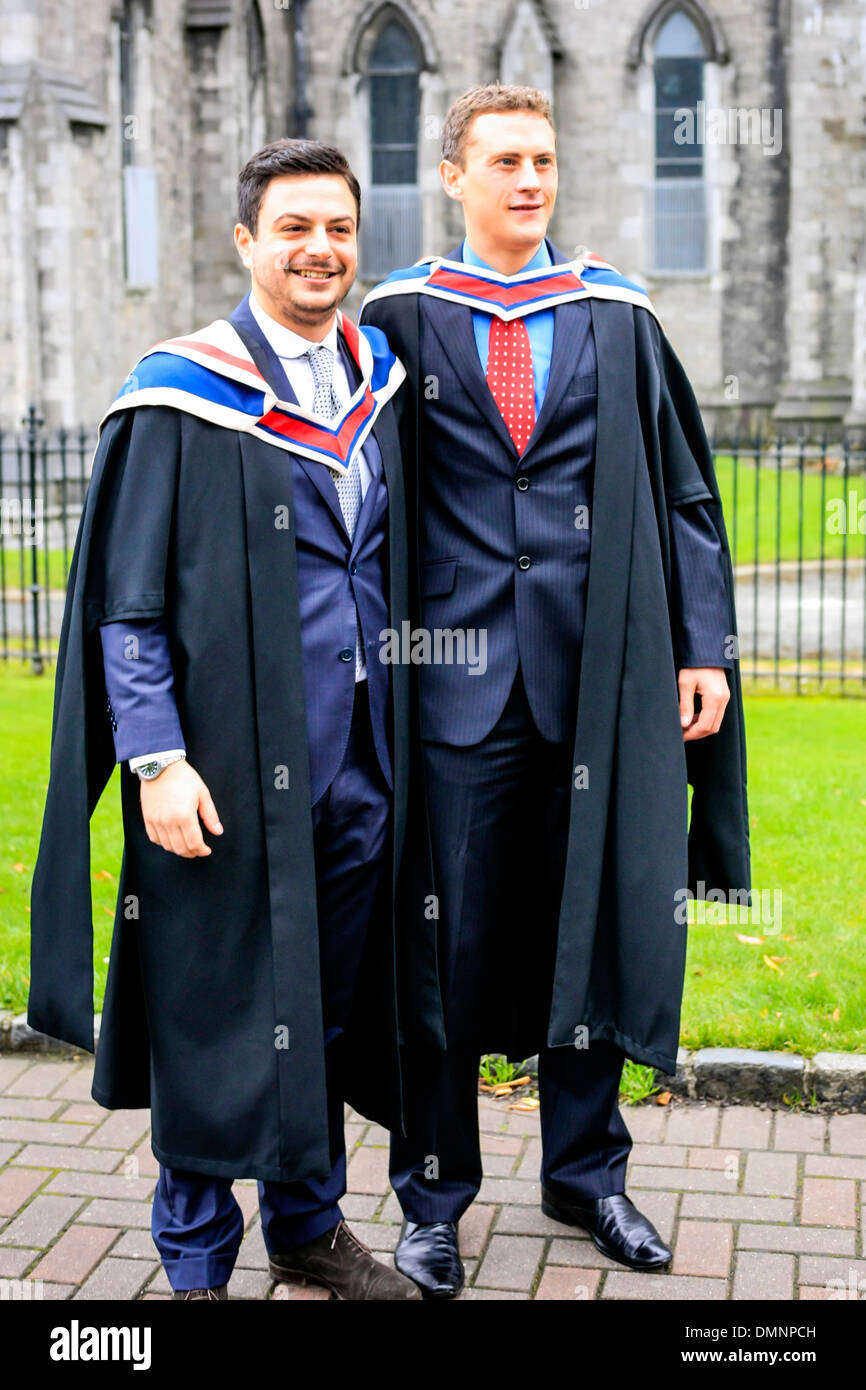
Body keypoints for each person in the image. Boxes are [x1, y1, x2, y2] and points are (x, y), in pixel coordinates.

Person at [360, 83, 750, 1299]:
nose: (529, 180)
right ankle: (433, 1195)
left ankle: (585, 1173)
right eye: (504, 162)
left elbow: (682, 490)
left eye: (543, 160)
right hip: (448, 689)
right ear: (453, 176)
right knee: (445, 946)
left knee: (586, 924)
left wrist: (701, 646)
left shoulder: (616, 316)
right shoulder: (399, 316)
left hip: (598, 677)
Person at [28, 138, 424, 1301]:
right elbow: (129, 602)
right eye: (293, 228)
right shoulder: (181, 394)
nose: (319, 249)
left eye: (338, 228)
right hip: (225, 770)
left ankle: (306, 1225)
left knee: (325, 1008)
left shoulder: (375, 378)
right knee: (216, 1009)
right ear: (246, 241)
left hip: (358, 762)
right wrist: (154, 758)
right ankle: (194, 1264)